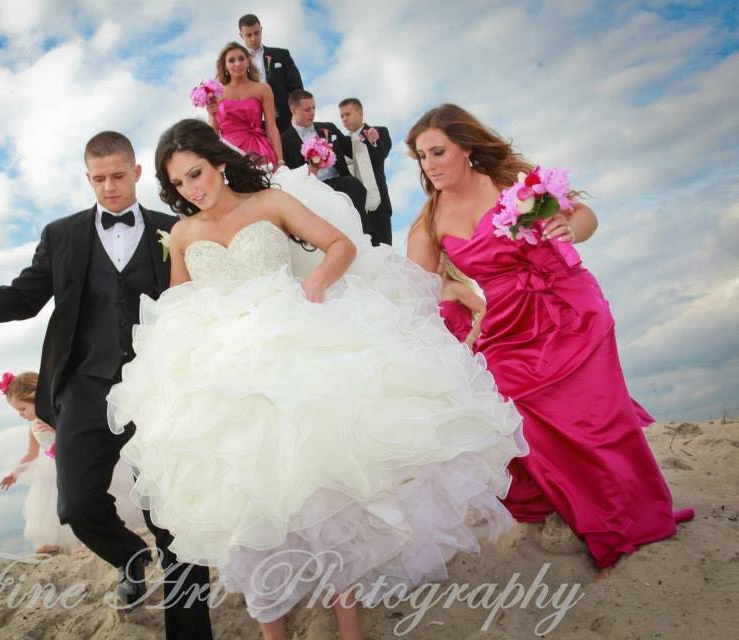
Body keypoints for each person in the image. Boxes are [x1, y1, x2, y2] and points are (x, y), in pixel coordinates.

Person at [106, 119, 528, 640]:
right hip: (223, 371)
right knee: (246, 501)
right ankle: (273, 632)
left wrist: (316, 285)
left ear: (217, 162)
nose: (193, 189)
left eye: (197, 173)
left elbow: (340, 246)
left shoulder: (269, 204)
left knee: (326, 486)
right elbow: (176, 307)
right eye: (180, 184)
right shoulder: (187, 234)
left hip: (294, 344)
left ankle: (348, 627)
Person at [0, 132, 213, 639]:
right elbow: (23, 298)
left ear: (137, 173)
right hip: (84, 384)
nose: (109, 187)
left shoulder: (177, 229)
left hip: (160, 385)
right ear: (87, 179)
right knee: (76, 506)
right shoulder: (62, 235)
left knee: (175, 516)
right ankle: (131, 557)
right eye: (99, 179)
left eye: (118, 176)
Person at [404, 103, 694, 574]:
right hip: (507, 328)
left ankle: (629, 518)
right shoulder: (429, 221)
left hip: (567, 308)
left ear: (466, 148)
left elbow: (585, 217)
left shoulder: (513, 185)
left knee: (598, 419)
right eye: (421, 157)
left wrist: (569, 228)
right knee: (513, 416)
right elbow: (412, 286)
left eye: (437, 152)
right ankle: (562, 505)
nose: (429, 165)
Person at [0, 371, 83, 555]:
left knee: (74, 502)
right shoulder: (33, 427)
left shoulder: (59, 415)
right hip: (49, 469)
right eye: (17, 411)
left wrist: (55, 427)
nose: (20, 414)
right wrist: (14, 473)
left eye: (22, 409)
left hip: (71, 463)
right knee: (48, 507)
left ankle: (80, 542)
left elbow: (74, 435)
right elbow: (31, 453)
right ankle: (53, 543)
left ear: (36, 398)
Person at [280, 89, 370, 235]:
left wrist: (368, 136)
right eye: (307, 109)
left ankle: (364, 236)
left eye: (314, 108)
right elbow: (288, 174)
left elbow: (351, 147)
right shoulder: (283, 140)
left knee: (354, 185)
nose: (312, 112)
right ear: (293, 110)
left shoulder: (328, 128)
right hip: (311, 188)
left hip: (338, 181)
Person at [208, 42, 283, 167]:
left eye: (241, 59)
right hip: (230, 154)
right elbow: (214, 134)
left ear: (248, 61)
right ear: (225, 66)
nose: (237, 64)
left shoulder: (263, 89)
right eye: (231, 60)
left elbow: (272, 128)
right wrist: (211, 114)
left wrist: (281, 161)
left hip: (260, 152)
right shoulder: (216, 93)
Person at [338, 97, 394, 246]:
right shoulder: (341, 142)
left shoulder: (380, 131)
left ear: (360, 112)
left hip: (379, 203)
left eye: (347, 114)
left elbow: (381, 155)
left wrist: (373, 142)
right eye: (341, 116)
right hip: (355, 209)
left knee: (385, 251)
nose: (344, 119)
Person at [238, 13, 303, 132]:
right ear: (241, 36)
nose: (253, 38)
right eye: (249, 35)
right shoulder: (237, 64)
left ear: (261, 30)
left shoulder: (281, 55)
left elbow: (297, 88)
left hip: (286, 121)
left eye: (256, 33)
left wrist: (297, 113)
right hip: (253, 127)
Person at [436, 253, 485, 347]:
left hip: (464, 347)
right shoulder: (430, 293)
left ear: (446, 267)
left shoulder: (455, 287)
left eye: (438, 263)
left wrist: (470, 339)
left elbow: (485, 308)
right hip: (444, 349)